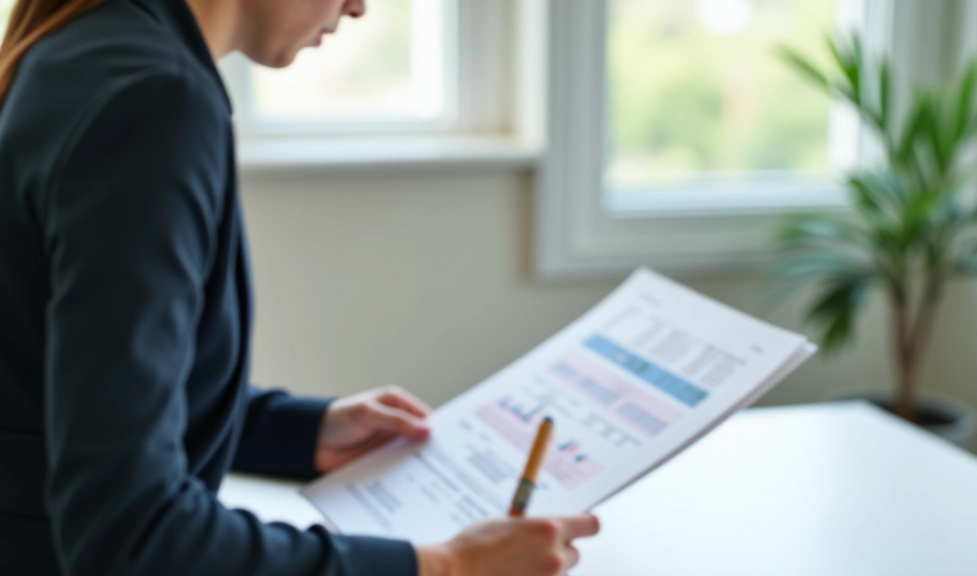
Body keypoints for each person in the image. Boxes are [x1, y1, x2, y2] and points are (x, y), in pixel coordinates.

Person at [0, 0, 601, 573]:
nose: (362, 7)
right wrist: (445, 567)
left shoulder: (78, 50)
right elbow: (135, 537)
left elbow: (70, 391)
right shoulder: (155, 100)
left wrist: (300, 432)